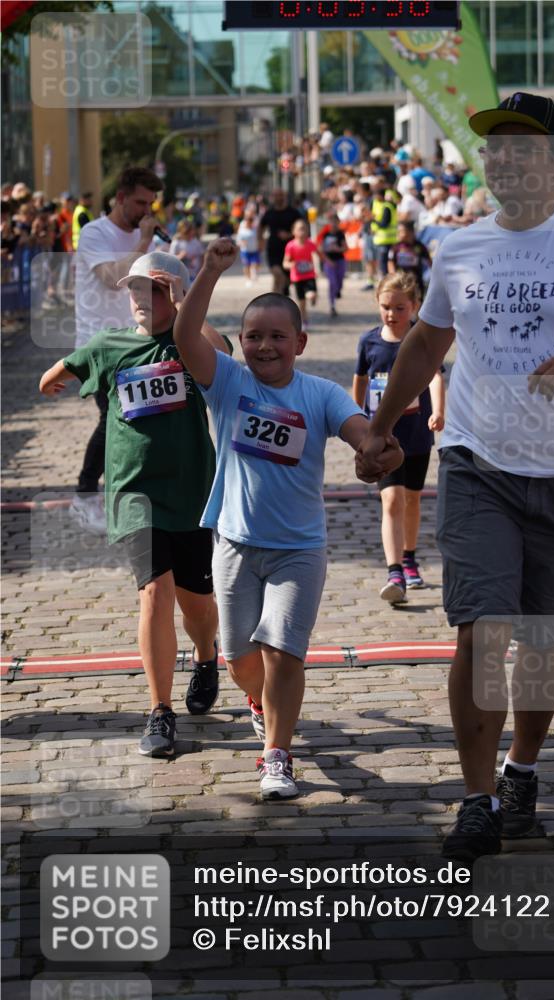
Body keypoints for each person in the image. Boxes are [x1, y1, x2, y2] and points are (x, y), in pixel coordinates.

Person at [355, 92, 554, 861]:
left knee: (539, 642)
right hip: (477, 463)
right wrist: (383, 429)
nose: (507, 161)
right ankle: (476, 799)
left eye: (525, 149)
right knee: (480, 629)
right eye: (496, 149)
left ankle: (520, 769)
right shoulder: (459, 248)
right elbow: (426, 345)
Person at [173, 238, 377, 800]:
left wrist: (375, 451)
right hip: (235, 544)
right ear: (242, 343)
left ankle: (277, 758)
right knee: (241, 660)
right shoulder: (229, 384)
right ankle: (258, 704)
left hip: (299, 550)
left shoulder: (322, 394)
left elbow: (362, 432)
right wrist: (209, 273)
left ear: (300, 343)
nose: (265, 346)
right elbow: (186, 338)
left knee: (284, 652)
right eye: (254, 336)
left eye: (277, 336)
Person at [39, 251, 235, 756]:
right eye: (135, 290)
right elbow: (58, 372)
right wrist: (56, 377)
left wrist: (188, 305)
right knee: (154, 592)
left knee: (198, 605)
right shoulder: (110, 345)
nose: (142, 299)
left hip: (191, 492)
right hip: (133, 494)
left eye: (155, 289)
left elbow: (224, 353)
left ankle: (207, 655)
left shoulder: (192, 345)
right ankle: (160, 710)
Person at [72, 166, 164, 533]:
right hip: (98, 344)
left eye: (151, 203)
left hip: (136, 342)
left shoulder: (149, 238)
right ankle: (84, 495)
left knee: (136, 418)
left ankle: (126, 494)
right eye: (141, 201)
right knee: (112, 417)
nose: (146, 210)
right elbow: (112, 280)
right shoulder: (95, 233)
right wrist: (142, 243)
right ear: (121, 197)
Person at [353, 272, 444, 604]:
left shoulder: (422, 339)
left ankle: (409, 556)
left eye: (400, 308)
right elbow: (360, 380)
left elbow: (435, 376)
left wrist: (439, 411)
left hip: (417, 433)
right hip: (384, 436)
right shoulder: (369, 342)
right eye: (386, 307)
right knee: (391, 500)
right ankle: (394, 571)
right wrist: (356, 417)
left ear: (415, 306)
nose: (392, 314)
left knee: (412, 500)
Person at [259, 189, 302, 295]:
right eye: (276, 195)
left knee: (284, 281)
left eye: (281, 195)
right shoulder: (269, 212)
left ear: (285, 196)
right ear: (272, 197)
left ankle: (277, 303)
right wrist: (260, 241)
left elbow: (302, 227)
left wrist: (290, 235)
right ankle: (277, 304)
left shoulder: (293, 212)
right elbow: (261, 226)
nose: (278, 198)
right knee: (279, 275)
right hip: (273, 250)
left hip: (290, 251)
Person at [282, 218, 321, 331]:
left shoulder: (310, 244)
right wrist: (292, 265)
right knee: (302, 303)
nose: (303, 231)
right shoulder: (291, 246)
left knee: (311, 295)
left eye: (305, 229)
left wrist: (320, 266)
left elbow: (317, 255)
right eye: (300, 229)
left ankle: (313, 297)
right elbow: (285, 263)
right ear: (294, 232)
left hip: (309, 276)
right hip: (297, 278)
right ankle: (304, 321)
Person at [387, 220, 431, 298]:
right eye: (398, 231)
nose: (399, 234)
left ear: (411, 232)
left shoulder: (419, 246)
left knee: (418, 301)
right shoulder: (395, 247)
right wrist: (393, 275)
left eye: (401, 231)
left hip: (417, 281)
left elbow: (429, 261)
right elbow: (390, 262)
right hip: (401, 281)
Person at [316, 210, 347, 317]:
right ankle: (332, 305)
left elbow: (345, 248)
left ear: (338, 222)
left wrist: (338, 249)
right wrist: (327, 260)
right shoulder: (325, 234)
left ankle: (338, 291)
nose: (333, 224)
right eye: (331, 222)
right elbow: (319, 249)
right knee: (332, 283)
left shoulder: (340, 234)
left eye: (335, 222)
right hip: (329, 261)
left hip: (340, 260)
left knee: (339, 281)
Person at [236, 208, 261, 286]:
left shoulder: (256, 223)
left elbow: (260, 235)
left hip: (254, 248)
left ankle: (254, 273)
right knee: (246, 265)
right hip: (245, 250)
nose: (249, 218)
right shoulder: (242, 224)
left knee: (256, 264)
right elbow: (239, 237)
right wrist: (241, 243)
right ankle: (248, 279)